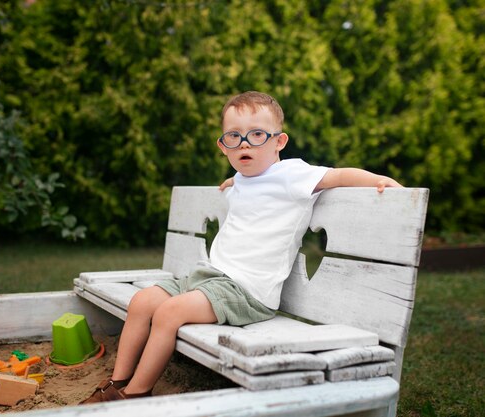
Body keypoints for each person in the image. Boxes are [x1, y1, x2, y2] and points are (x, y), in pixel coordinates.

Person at [80, 91, 402, 403]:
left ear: (279, 142)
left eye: (257, 134)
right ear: (223, 146)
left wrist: (378, 178)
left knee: (168, 312)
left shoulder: (292, 175)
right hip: (209, 277)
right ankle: (117, 380)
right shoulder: (244, 178)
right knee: (142, 300)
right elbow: (253, 184)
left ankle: (136, 392)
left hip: (248, 291)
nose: (244, 143)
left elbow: (337, 175)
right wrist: (237, 180)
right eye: (234, 136)